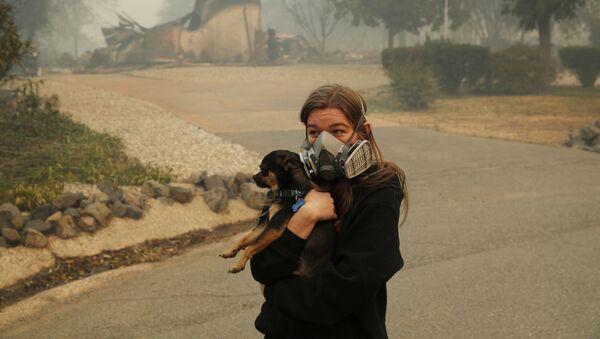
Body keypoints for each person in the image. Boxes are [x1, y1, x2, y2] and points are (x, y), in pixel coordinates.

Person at [250, 84, 409, 339]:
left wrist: (274, 292)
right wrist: (304, 217)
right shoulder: (291, 183)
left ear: (363, 132)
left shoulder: (378, 191)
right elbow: (262, 266)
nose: (325, 143)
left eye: (338, 131)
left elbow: (347, 289)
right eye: (314, 132)